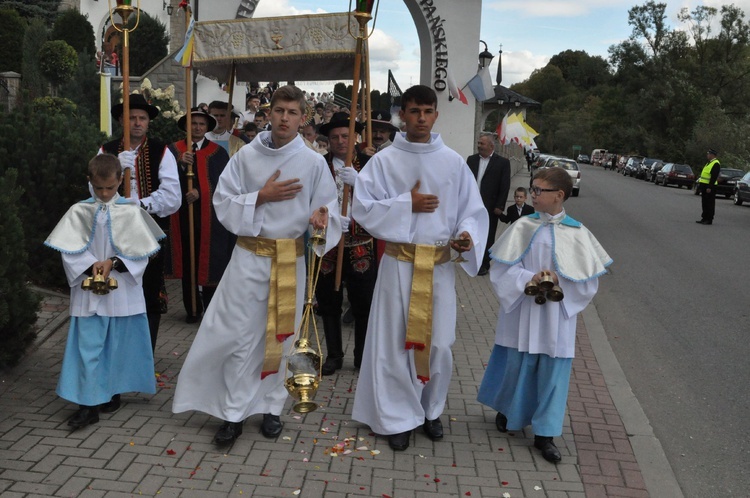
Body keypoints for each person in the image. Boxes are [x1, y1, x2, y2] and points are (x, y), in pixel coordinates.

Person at [172, 85, 342, 446]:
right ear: (270, 112)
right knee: (237, 335)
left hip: (290, 261)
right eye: (279, 110)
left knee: (281, 337)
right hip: (249, 257)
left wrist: (321, 218)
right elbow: (223, 201)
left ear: (302, 118)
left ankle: (271, 408)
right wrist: (261, 197)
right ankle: (232, 412)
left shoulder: (313, 162)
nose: (284, 118)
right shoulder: (247, 156)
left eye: (292, 113)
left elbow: (330, 210)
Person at [351, 85, 489, 451]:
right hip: (400, 263)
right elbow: (362, 208)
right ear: (403, 115)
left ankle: (430, 410)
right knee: (396, 344)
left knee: (440, 343)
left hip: (439, 266)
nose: (421, 119)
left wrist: (465, 237)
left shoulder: (453, 162)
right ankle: (397, 416)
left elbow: (472, 212)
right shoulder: (384, 160)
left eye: (428, 111)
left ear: (436, 114)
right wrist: (405, 203)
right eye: (414, 111)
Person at [477, 167, 612, 464]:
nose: (533, 195)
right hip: (523, 308)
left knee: (552, 373)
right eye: (533, 189)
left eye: (539, 190)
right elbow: (501, 269)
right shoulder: (522, 226)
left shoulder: (578, 233)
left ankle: (545, 434)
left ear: (559, 196)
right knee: (516, 364)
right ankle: (509, 411)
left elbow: (589, 281)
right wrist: (530, 278)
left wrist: (560, 282)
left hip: (556, 316)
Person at [45, 154, 165, 428]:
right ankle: (87, 405)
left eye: (110, 188)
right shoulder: (78, 211)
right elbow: (69, 251)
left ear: (120, 181)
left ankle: (110, 390)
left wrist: (113, 263)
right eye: (99, 188)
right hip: (89, 290)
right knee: (88, 347)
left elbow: (143, 253)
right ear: (90, 181)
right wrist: (92, 268)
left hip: (122, 289)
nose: (104, 193)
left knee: (118, 346)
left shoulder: (131, 212)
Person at [101, 93, 181, 352]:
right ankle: (114, 354)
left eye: (142, 118)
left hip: (148, 232)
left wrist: (142, 204)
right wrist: (113, 167)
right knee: (116, 290)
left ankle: (143, 357)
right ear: (122, 121)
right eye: (131, 118)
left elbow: (172, 196)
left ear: (148, 122)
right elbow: (93, 192)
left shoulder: (162, 150)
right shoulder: (107, 150)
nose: (137, 122)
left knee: (148, 293)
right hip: (112, 233)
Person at [315, 112, 376, 375]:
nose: (341, 141)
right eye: (335, 137)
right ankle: (334, 355)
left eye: (345, 136)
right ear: (327, 140)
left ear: (355, 137)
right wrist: (327, 217)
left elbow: (385, 196)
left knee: (363, 302)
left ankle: (362, 355)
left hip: (361, 242)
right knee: (329, 301)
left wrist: (361, 183)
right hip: (329, 242)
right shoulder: (319, 165)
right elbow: (311, 199)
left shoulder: (371, 163)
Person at [167, 108, 234, 323]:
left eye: (201, 124)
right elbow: (165, 181)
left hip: (209, 218)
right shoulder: (174, 150)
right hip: (182, 215)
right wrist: (179, 164)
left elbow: (225, 184)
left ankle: (211, 309)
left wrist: (201, 192)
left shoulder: (217, 152)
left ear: (207, 128)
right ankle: (192, 308)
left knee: (210, 260)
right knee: (188, 260)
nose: (196, 127)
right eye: (193, 123)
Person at [466, 133, 511, 276]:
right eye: (478, 143)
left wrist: (500, 206)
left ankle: (484, 263)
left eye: (482, 144)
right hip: (472, 205)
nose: (479, 146)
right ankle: (472, 260)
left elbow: (505, 186)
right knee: (472, 232)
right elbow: (465, 181)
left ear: (491, 146)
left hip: (491, 207)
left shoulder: (502, 163)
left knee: (488, 235)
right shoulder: (471, 160)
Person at [696, 148, 721, 225]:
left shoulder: (716, 163)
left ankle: (709, 219)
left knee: (709, 203)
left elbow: (714, 176)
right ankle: (704, 218)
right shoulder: (709, 163)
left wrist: (709, 187)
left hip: (710, 186)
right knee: (704, 203)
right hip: (704, 185)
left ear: (712, 155)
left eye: (708, 154)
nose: (707, 155)